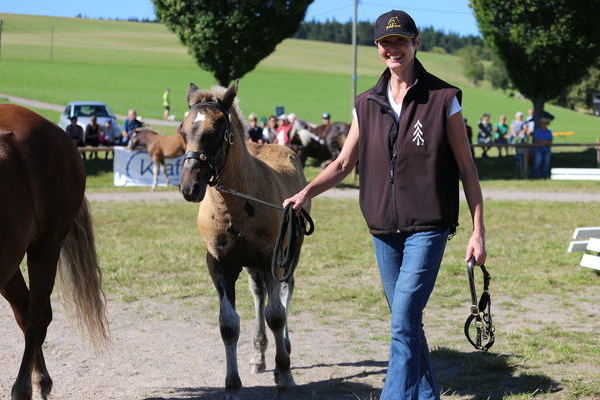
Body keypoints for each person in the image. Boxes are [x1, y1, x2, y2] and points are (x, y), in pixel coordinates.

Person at [284, 10, 486, 400]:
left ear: (416, 44)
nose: (393, 49)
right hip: (382, 229)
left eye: (400, 41)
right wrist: (306, 192)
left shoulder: (444, 98)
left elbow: (467, 167)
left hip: (429, 225)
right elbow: (344, 164)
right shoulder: (367, 102)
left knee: (403, 321)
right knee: (405, 321)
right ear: (377, 48)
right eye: (385, 43)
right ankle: (426, 394)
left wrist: (478, 231)